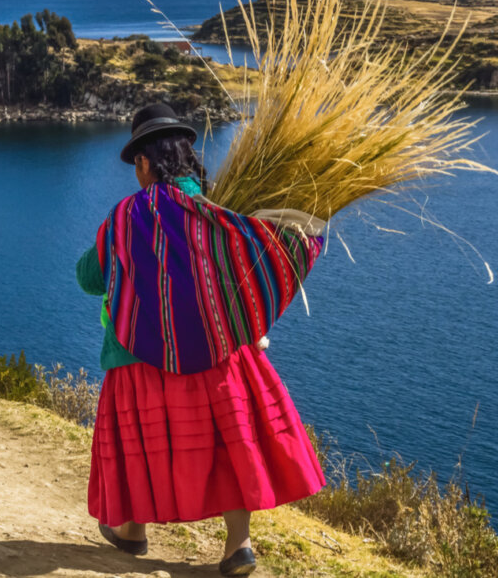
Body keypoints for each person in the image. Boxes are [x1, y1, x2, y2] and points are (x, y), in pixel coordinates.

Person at [76, 103, 327, 576]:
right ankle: (239, 546)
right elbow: (261, 254)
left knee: (139, 445)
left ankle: (132, 531)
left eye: (137, 165)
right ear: (187, 158)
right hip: (220, 354)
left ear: (146, 163)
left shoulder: (128, 216)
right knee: (227, 445)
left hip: (137, 355)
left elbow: (90, 276)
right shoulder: (222, 212)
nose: (137, 173)